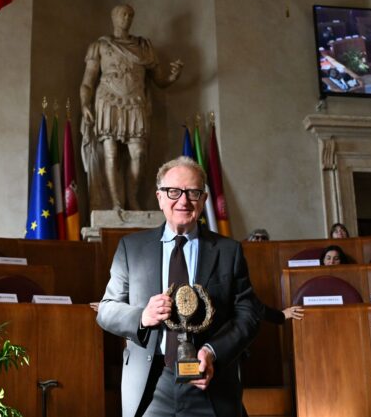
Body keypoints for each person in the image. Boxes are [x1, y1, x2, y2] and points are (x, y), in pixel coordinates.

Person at [96, 156, 258, 417]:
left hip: (210, 384)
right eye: (173, 191)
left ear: (203, 199)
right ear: (160, 197)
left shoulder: (229, 251)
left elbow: (248, 315)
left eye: (193, 192)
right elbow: (106, 310)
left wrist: (213, 352)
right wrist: (142, 317)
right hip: (150, 385)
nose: (183, 201)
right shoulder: (131, 248)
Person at [80, 4, 184, 211]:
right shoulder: (100, 46)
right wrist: (85, 104)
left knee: (139, 154)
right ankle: (116, 203)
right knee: (111, 154)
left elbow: (159, 80)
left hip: (136, 102)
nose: (127, 18)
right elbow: (88, 82)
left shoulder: (143, 47)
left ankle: (133, 199)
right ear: (113, 17)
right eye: (123, 14)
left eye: (130, 15)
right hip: (108, 101)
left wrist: (173, 77)